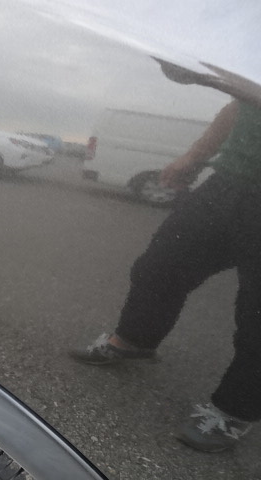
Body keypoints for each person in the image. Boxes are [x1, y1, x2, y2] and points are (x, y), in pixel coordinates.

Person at [70, 99, 261, 452]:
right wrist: (194, 156)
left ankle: (236, 409)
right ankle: (135, 341)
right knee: (160, 268)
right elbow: (241, 103)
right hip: (229, 182)